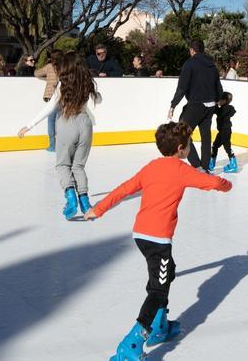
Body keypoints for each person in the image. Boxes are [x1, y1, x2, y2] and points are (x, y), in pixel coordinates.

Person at [83, 121, 233, 359]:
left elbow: (124, 189)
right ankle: (130, 345)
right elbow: (213, 182)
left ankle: (160, 326)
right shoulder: (181, 170)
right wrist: (227, 185)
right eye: (190, 146)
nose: (190, 150)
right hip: (158, 240)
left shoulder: (151, 167)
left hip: (141, 235)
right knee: (158, 291)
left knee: (167, 271)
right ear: (181, 148)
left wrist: (98, 209)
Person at [18, 53, 102, 219]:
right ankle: (85, 202)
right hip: (85, 124)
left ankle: (71, 197)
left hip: (66, 123)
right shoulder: (88, 81)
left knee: (63, 165)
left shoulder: (63, 84)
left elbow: (50, 107)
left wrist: (29, 125)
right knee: (78, 166)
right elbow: (98, 101)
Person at [168, 39, 223, 172]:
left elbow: (182, 88)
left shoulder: (190, 64)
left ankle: (198, 167)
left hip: (196, 105)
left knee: (182, 133)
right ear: (202, 50)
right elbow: (219, 88)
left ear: (192, 50)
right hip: (210, 106)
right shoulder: (212, 65)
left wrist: (173, 105)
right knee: (206, 137)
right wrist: (217, 100)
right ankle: (205, 167)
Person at [34, 50, 63, 152]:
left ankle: (52, 145)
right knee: (62, 120)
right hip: (64, 96)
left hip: (52, 96)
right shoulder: (65, 67)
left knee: (51, 121)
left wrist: (47, 79)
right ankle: (62, 143)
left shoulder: (50, 66)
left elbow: (36, 73)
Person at [212, 92, 238, 173]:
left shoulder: (225, 108)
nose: (218, 101)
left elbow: (219, 111)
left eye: (220, 99)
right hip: (222, 131)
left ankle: (233, 164)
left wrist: (216, 104)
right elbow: (217, 111)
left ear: (224, 101)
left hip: (225, 131)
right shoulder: (224, 108)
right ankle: (212, 163)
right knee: (215, 145)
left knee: (227, 147)